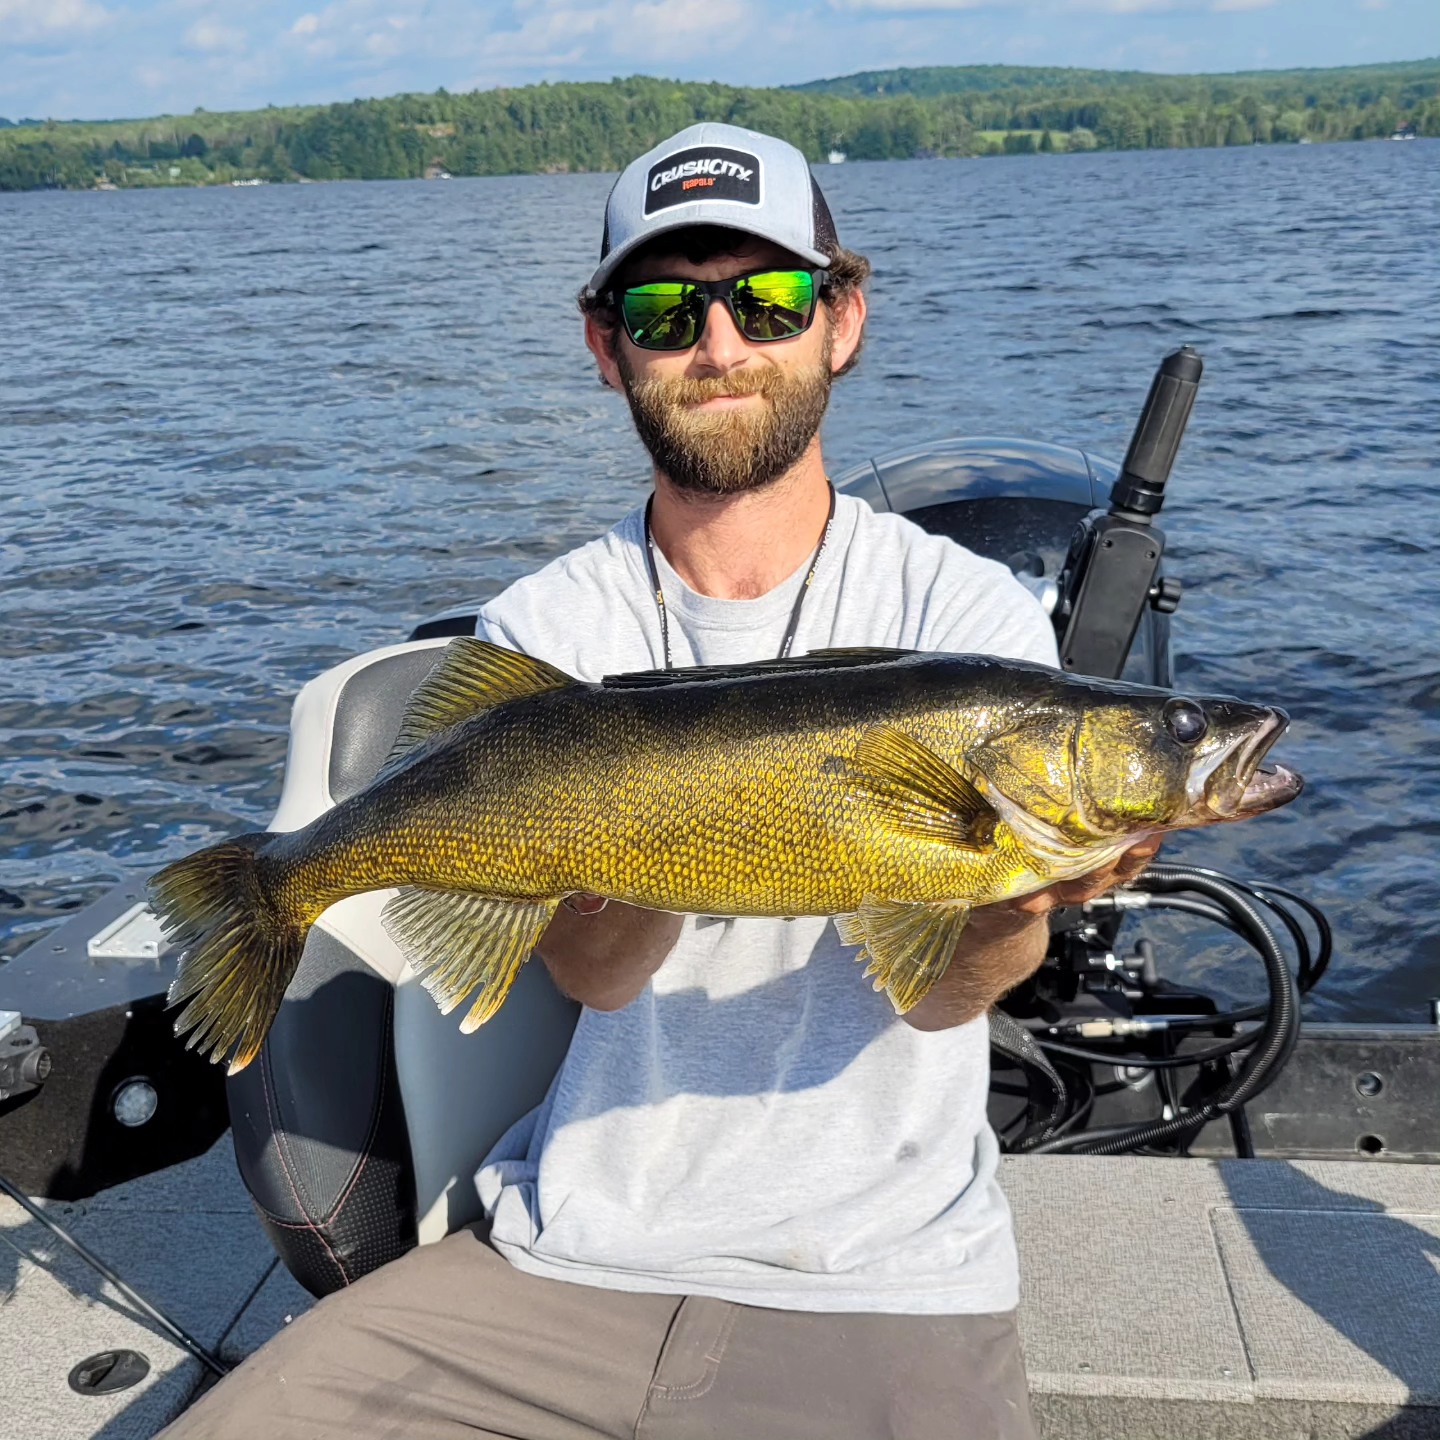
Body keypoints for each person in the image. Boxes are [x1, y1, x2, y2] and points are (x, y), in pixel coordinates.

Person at [161, 123, 1157, 1440]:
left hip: (881, 1274)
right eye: (665, 306)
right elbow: (601, 978)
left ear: (841, 320)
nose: (721, 341)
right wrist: (584, 869)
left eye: (771, 296)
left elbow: (946, 1002)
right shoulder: (549, 622)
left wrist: (1019, 899)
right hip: (559, 1250)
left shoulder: (957, 613)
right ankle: (266, 895)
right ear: (604, 344)